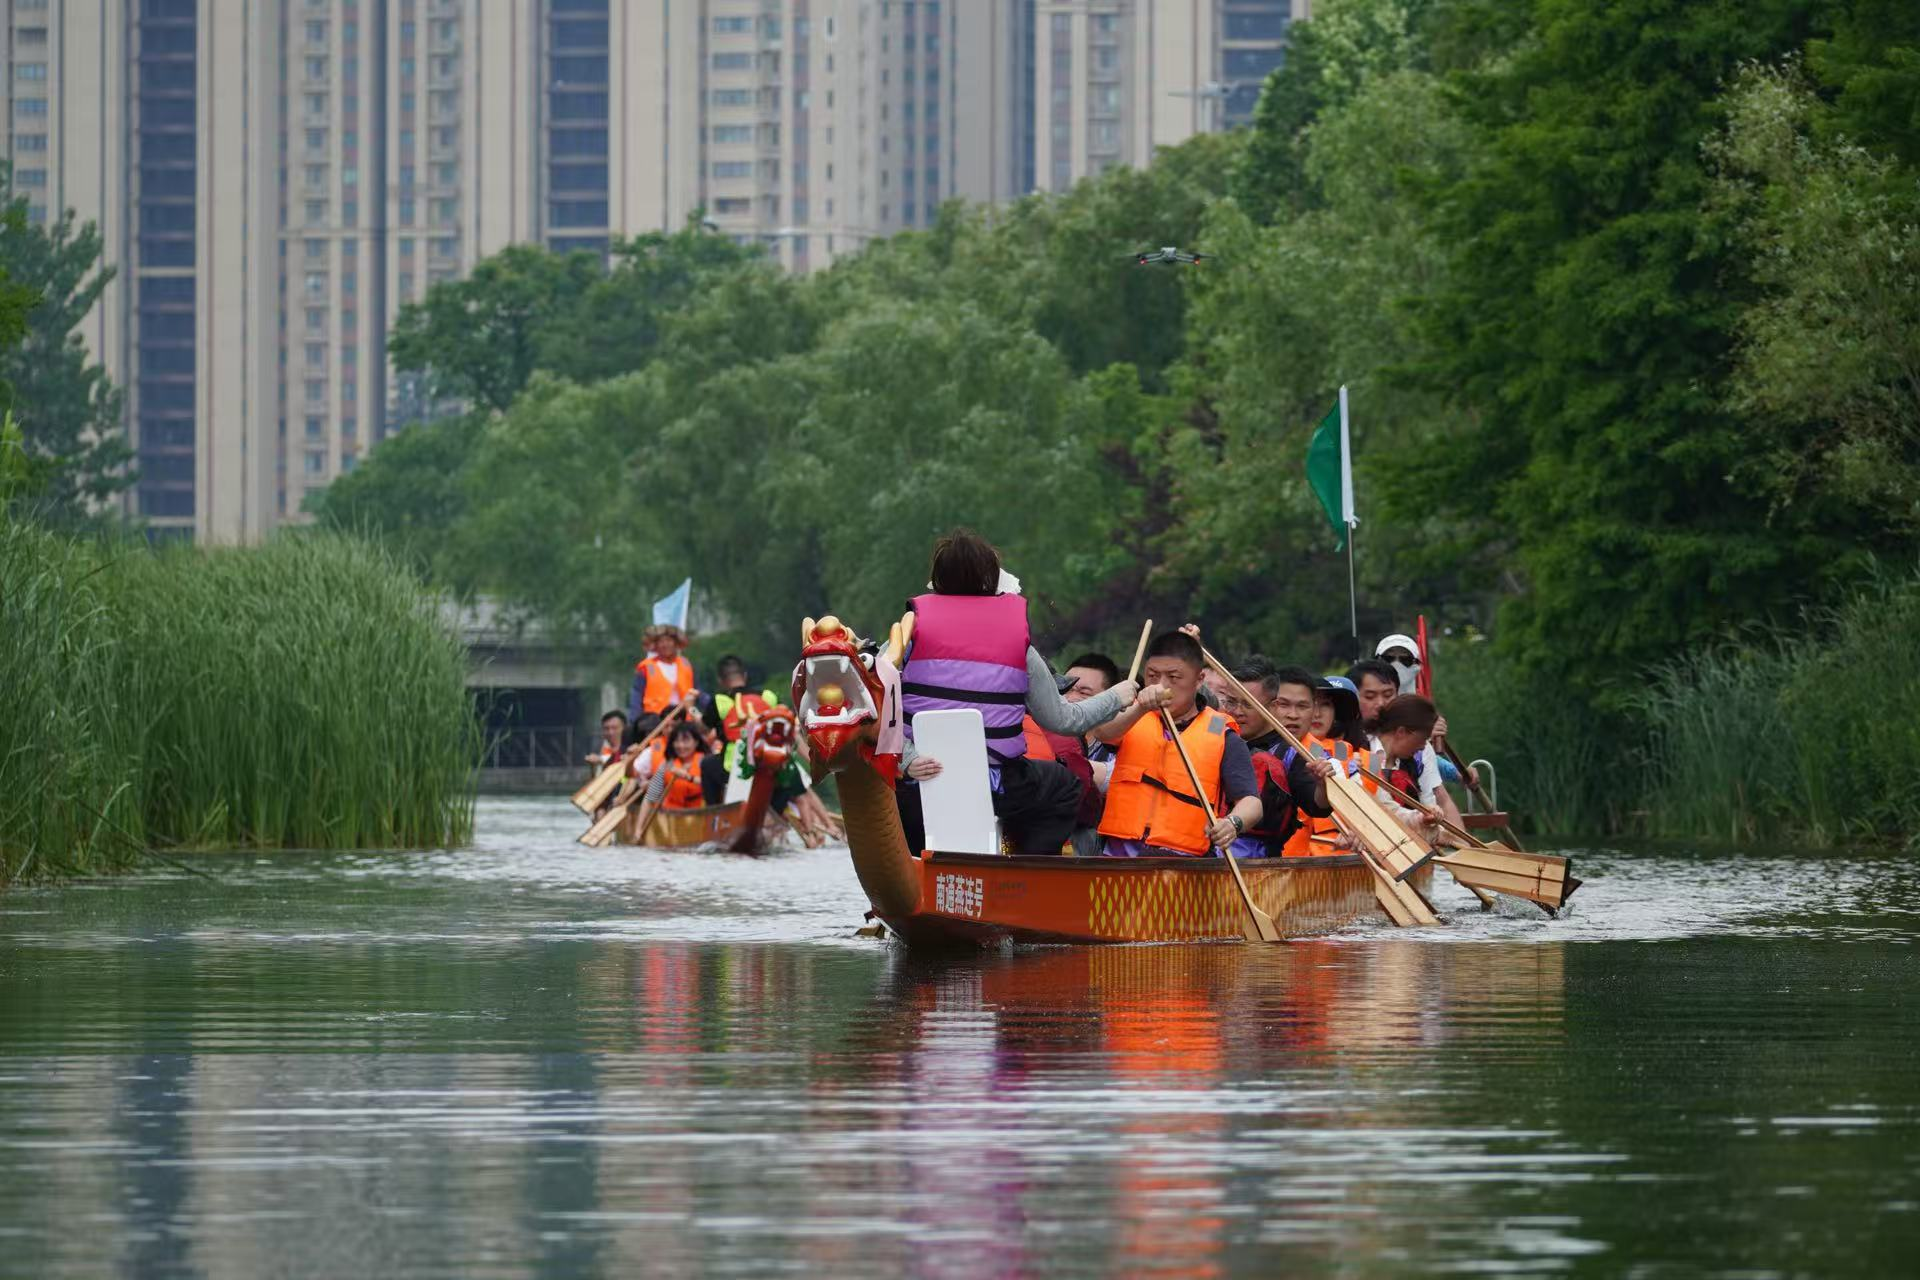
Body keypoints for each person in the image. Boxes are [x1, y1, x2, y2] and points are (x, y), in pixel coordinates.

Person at [895, 530, 1137, 856]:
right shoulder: (1018, 646)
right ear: (990, 579)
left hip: (920, 785)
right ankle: (1026, 867)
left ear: (936, 578)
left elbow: (876, 706)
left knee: (903, 800)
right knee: (1065, 786)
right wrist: (1117, 697)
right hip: (997, 787)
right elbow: (1064, 720)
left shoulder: (907, 634)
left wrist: (908, 758)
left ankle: (919, 864)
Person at [1092, 630, 1274, 857]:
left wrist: (1233, 823)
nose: (1161, 686)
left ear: (1199, 680)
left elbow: (1251, 803)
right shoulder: (1133, 715)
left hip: (1184, 862)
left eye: (1174, 677)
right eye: (1152, 676)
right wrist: (1140, 707)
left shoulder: (1223, 734)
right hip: (1119, 857)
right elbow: (1102, 733)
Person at [1231, 663, 1335, 858]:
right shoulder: (1220, 735)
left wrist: (1323, 784)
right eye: (1231, 702)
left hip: (1259, 864)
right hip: (1202, 856)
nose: (1237, 711)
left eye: (1248, 704)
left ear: (1271, 706)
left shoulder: (1292, 754)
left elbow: (1317, 805)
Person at [1352, 656, 1470, 829]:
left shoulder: (1422, 748)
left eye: (1388, 695)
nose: (1381, 704)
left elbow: (1437, 800)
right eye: (1370, 696)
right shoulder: (1345, 744)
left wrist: (1460, 845)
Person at [627, 623, 697, 726]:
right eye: (661, 641)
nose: (665, 645)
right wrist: (635, 722)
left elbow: (697, 692)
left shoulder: (685, 664)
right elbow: (636, 697)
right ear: (655, 645)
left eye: (669, 640)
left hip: (683, 722)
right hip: (656, 723)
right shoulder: (646, 667)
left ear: (675, 643)